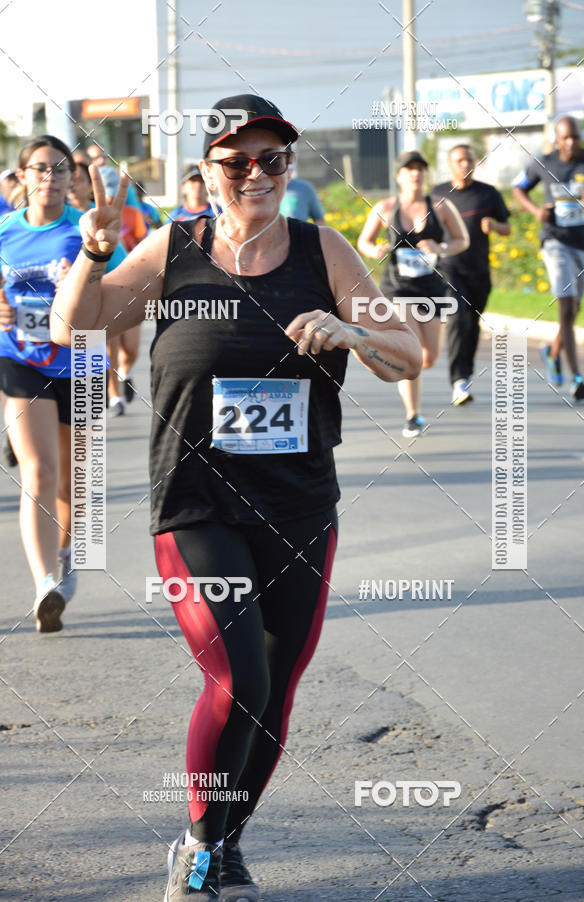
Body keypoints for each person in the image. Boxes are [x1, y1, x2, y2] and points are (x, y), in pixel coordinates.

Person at [52, 92, 422, 900]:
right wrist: (92, 248)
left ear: (289, 167)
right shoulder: (174, 248)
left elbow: (408, 352)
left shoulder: (322, 252)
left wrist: (354, 331)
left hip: (297, 508)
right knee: (238, 680)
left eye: (274, 159)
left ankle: (222, 837)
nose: (257, 174)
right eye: (237, 160)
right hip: (196, 505)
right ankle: (197, 845)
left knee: (278, 683)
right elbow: (72, 326)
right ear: (208, 172)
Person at [0, 134, 125, 632]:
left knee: (75, 483)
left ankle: (71, 551)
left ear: (73, 178)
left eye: (59, 169)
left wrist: (97, 268)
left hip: (82, 363)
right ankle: (44, 584)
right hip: (21, 360)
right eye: (39, 168)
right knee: (38, 473)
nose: (49, 177)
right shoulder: (4, 230)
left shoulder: (88, 228)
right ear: (24, 176)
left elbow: (121, 292)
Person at [358, 150, 469, 437]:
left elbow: (461, 240)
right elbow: (364, 242)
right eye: (409, 169)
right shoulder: (385, 207)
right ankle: (413, 415)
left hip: (431, 290)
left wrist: (441, 248)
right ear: (399, 176)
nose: (416, 174)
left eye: (420, 169)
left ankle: (398, 362)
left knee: (428, 357)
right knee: (413, 355)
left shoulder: (441, 206)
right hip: (397, 290)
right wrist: (376, 250)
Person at [513, 116, 584, 400]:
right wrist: (536, 211)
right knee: (565, 307)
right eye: (566, 138)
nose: (572, 142)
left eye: (576, 137)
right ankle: (577, 377)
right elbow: (518, 188)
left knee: (573, 310)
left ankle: (551, 353)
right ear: (557, 139)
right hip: (555, 242)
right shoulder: (544, 162)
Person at [432, 144, 510, 405]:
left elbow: (507, 227)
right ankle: (458, 381)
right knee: (457, 319)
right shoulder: (438, 194)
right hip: (448, 267)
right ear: (450, 165)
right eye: (459, 161)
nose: (464, 165)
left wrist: (495, 226)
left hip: (478, 269)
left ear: (475, 163)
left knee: (473, 323)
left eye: (468, 160)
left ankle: (465, 374)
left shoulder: (488, 194)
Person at [98, 165, 147, 414]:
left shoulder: (132, 214)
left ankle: (125, 374)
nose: (108, 196)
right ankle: (114, 394)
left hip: (131, 282)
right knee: (111, 343)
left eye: (111, 190)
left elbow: (142, 246)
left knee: (132, 348)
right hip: (105, 284)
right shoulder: (91, 214)